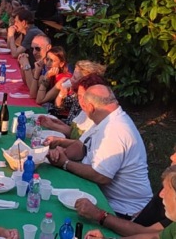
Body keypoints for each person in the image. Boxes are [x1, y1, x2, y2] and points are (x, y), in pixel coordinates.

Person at [47, 84, 153, 218]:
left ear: (90, 107)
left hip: (124, 210)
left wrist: (65, 163)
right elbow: (80, 146)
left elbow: (101, 176)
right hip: (106, 197)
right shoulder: (105, 118)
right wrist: (60, 152)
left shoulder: (115, 129)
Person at [75, 151, 176, 238]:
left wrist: (100, 215)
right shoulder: (171, 180)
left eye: (167, 191)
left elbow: (148, 232)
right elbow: (155, 237)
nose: (172, 156)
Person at [40, 74, 108, 146]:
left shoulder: (102, 122)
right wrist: (54, 124)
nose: (81, 101)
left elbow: (84, 147)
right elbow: (73, 132)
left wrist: (59, 141)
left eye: (85, 97)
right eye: (79, 96)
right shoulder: (85, 112)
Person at [53, 60, 106, 124]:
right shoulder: (76, 94)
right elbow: (58, 109)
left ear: (85, 81)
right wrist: (61, 94)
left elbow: (74, 130)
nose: (71, 79)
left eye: (74, 78)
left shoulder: (87, 101)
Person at [36, 46, 72, 112]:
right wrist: (37, 72)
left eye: (52, 61)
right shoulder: (52, 75)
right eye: (47, 59)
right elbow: (33, 94)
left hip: (64, 115)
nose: (48, 63)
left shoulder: (63, 79)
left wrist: (46, 77)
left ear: (61, 64)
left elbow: (39, 100)